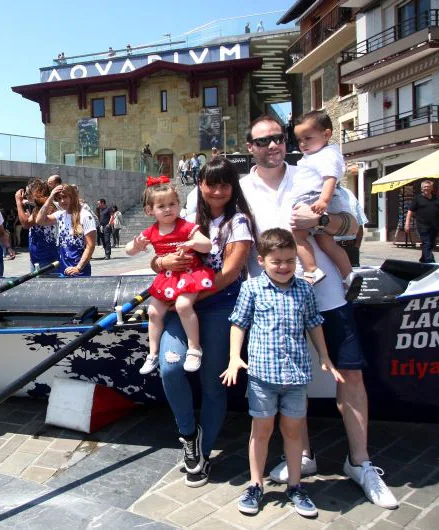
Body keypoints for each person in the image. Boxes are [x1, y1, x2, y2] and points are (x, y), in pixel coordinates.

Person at [242, 115, 398, 509]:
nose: (272, 146)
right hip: (278, 303)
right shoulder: (241, 189)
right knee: (297, 377)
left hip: (328, 294)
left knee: (351, 375)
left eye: (278, 139)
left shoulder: (312, 169)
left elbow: (354, 228)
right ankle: (304, 456)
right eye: (262, 141)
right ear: (250, 148)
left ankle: (360, 463)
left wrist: (322, 219)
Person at [221, 228, 343, 518]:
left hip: (297, 377)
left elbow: (314, 323)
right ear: (262, 260)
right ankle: (255, 484)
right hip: (262, 376)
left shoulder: (304, 289)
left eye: (290, 260)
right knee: (261, 431)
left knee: (293, 431)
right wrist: (234, 357)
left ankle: (295, 485)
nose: (285, 266)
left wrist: (325, 356)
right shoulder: (251, 288)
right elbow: (239, 323)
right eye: (277, 261)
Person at [151, 157, 255, 487]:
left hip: (216, 304)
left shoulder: (238, 222)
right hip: (183, 303)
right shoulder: (185, 218)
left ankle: (202, 454)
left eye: (225, 184)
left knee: (212, 384)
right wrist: (162, 260)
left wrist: (191, 297)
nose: (218, 190)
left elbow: (228, 273)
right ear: (201, 185)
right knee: (169, 367)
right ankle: (188, 434)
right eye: (212, 183)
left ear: (232, 187)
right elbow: (158, 254)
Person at [127, 178, 215, 375]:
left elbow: (207, 244)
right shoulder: (151, 231)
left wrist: (192, 244)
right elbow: (128, 251)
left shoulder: (185, 226)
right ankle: (153, 353)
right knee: (153, 311)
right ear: (150, 211)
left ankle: (194, 348)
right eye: (161, 206)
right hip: (168, 278)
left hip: (190, 274)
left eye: (172, 204)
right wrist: (136, 245)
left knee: (183, 305)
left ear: (178, 205)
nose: (168, 209)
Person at [289, 111, 358, 298]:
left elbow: (330, 179)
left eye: (307, 138)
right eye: (299, 140)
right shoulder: (317, 155)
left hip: (314, 198)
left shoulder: (326, 155)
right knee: (326, 241)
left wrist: (323, 203)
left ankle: (311, 270)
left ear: (326, 135)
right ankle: (348, 276)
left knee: (298, 235)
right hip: (315, 198)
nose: (303, 144)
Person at [35, 184, 96, 276]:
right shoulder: (61, 215)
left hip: (79, 271)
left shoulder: (85, 216)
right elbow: (39, 220)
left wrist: (78, 268)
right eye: (59, 198)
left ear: (72, 197)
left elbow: (90, 246)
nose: (62, 201)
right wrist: (50, 198)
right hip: (64, 269)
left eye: (65, 197)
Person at [405, 179, 439, 263]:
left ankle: (423, 259)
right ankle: (429, 261)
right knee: (427, 242)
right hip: (422, 226)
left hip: (434, 226)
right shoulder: (417, 199)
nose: (426, 189)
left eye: (428, 187)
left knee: (430, 244)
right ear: (421, 189)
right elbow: (410, 211)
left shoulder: (435, 199)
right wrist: (407, 223)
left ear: (431, 188)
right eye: (424, 187)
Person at [15, 179, 58, 271]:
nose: (26, 195)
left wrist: (18, 202)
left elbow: (25, 224)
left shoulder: (47, 207)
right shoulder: (42, 206)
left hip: (46, 258)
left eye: (28, 193)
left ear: (36, 192)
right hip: (37, 256)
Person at [334, 188, 367, 268]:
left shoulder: (348, 193)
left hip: (351, 247)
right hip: (331, 246)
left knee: (353, 278)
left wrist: (356, 246)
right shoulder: (320, 192)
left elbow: (359, 220)